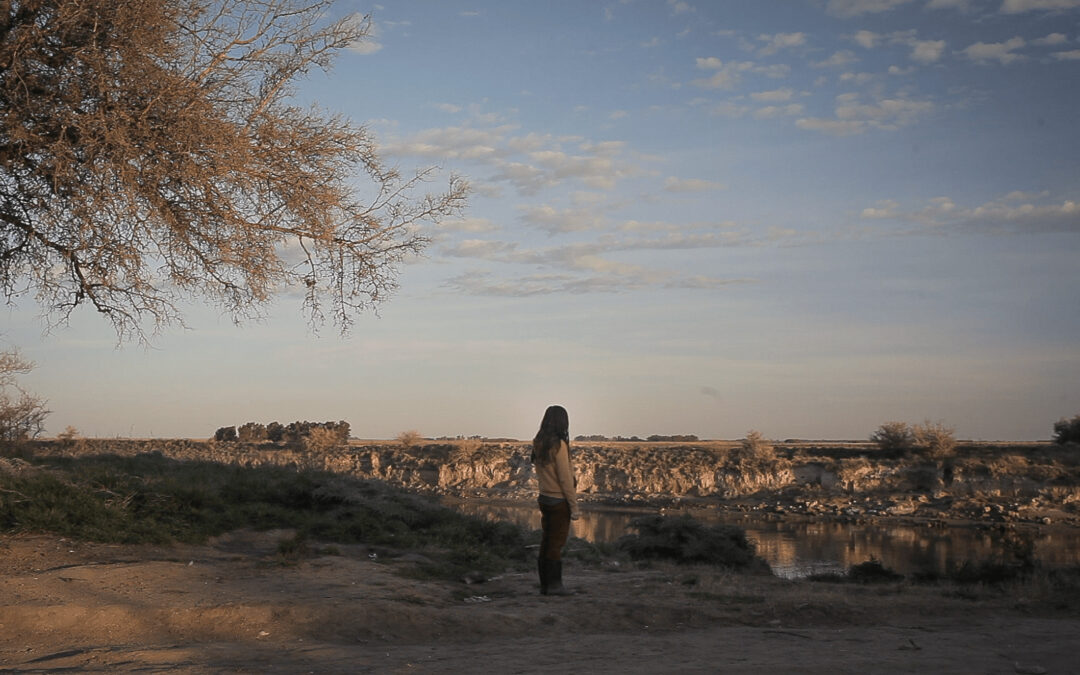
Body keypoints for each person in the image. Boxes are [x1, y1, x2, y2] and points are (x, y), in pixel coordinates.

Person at [531, 404, 580, 596]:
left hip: (544, 498)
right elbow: (565, 479)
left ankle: (546, 585)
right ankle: (554, 587)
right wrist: (574, 506)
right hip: (559, 501)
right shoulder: (559, 446)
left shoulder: (539, 442)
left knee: (547, 541)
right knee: (556, 544)